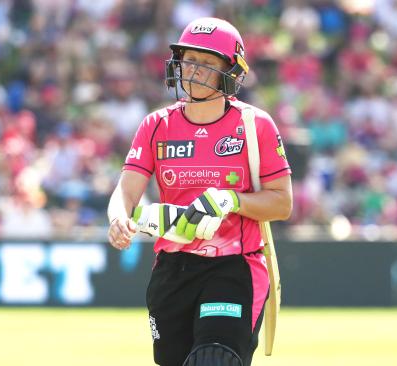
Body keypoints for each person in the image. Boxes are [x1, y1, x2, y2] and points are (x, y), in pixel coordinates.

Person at [107, 17, 292, 366]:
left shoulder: (255, 125)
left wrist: (231, 200)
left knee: (214, 359)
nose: (193, 70)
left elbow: (282, 203)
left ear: (232, 71)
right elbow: (126, 191)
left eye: (207, 63)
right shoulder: (156, 125)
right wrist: (118, 218)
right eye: (189, 60)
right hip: (172, 269)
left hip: (233, 267)